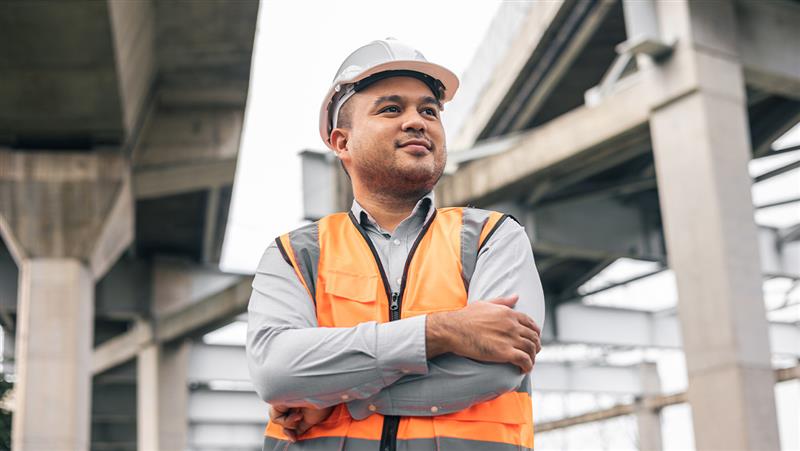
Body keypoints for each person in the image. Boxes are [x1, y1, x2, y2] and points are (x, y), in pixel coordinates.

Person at [246, 38, 545, 451]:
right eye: (391, 108)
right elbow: (277, 373)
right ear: (341, 143)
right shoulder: (294, 255)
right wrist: (440, 331)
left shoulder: (492, 237)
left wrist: (335, 397)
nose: (417, 121)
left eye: (429, 110)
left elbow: (497, 369)